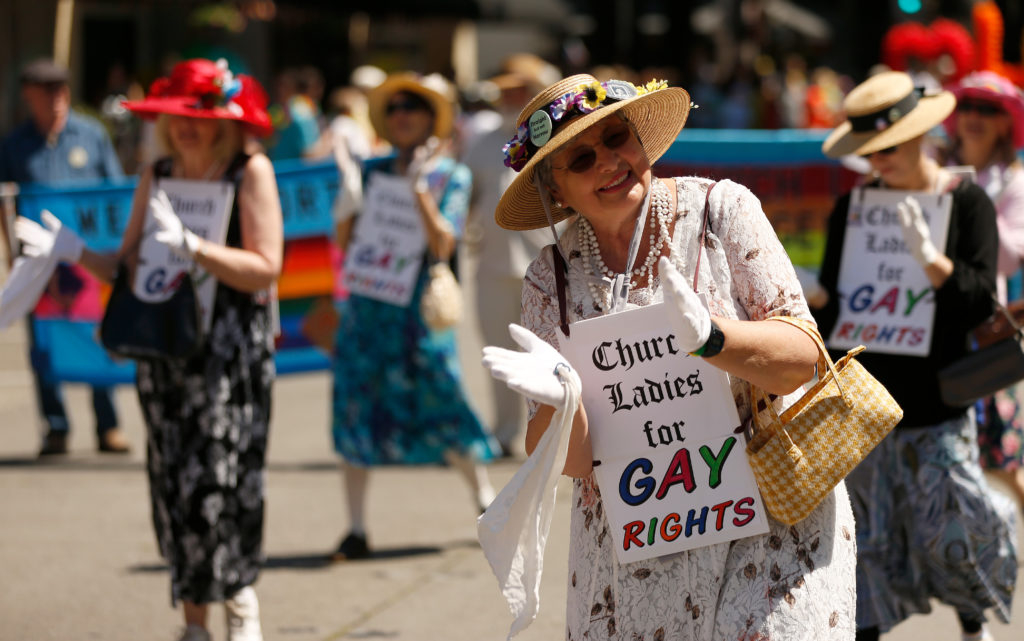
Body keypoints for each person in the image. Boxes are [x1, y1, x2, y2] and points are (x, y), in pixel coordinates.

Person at [483, 73, 856, 639]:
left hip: (772, 523)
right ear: (556, 191)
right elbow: (576, 463)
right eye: (581, 159)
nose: (609, 161)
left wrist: (715, 339)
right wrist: (564, 404)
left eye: (616, 138)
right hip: (640, 553)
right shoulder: (548, 279)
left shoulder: (720, 210)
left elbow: (803, 358)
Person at [16, 58, 282, 641]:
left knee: (222, 476)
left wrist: (195, 247)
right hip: (164, 347)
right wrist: (70, 248)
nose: (183, 127)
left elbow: (266, 268)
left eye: (195, 116)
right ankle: (193, 624)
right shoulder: (156, 173)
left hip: (229, 351)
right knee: (173, 481)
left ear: (221, 119)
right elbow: (126, 264)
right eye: (172, 117)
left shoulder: (248, 171)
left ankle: (240, 603)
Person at [815, 71, 1017, 641]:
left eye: (890, 147)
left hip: (940, 399)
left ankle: (973, 626)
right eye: (869, 153)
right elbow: (835, 313)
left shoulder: (967, 201)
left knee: (953, 527)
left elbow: (980, 300)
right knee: (869, 541)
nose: (880, 161)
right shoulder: (853, 207)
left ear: (921, 135)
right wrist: (815, 301)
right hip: (868, 406)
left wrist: (932, 261)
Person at [330, 72, 498, 560]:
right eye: (396, 107)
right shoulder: (370, 170)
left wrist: (419, 189)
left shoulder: (452, 174)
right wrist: (346, 196)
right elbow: (347, 245)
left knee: (444, 398)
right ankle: (356, 528)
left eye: (413, 106)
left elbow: (444, 244)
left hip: (419, 311)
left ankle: (486, 502)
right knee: (355, 409)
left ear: (430, 118)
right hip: (367, 307)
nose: (402, 114)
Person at [0, 57, 130, 457]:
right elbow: (7, 203)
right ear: (29, 97)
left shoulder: (91, 135)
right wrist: (12, 254)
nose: (56, 100)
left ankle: (108, 426)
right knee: (46, 343)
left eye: (61, 91)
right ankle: (55, 426)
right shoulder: (15, 145)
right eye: (46, 93)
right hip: (42, 264)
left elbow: (113, 195)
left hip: (88, 258)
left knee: (94, 336)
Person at [461, 54, 563, 457]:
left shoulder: (554, 137)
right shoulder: (484, 142)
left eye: (521, 89)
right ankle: (505, 434)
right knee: (498, 353)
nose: (513, 97)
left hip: (546, 262)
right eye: (508, 90)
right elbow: (463, 197)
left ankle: (557, 437)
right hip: (492, 263)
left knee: (551, 355)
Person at [943, 70, 1024, 513]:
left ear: (1005, 122)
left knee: (1003, 463)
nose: (974, 116)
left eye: (988, 109)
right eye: (968, 106)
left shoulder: (1013, 181)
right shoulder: (932, 164)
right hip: (929, 329)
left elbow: (1009, 260)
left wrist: (973, 204)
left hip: (981, 334)